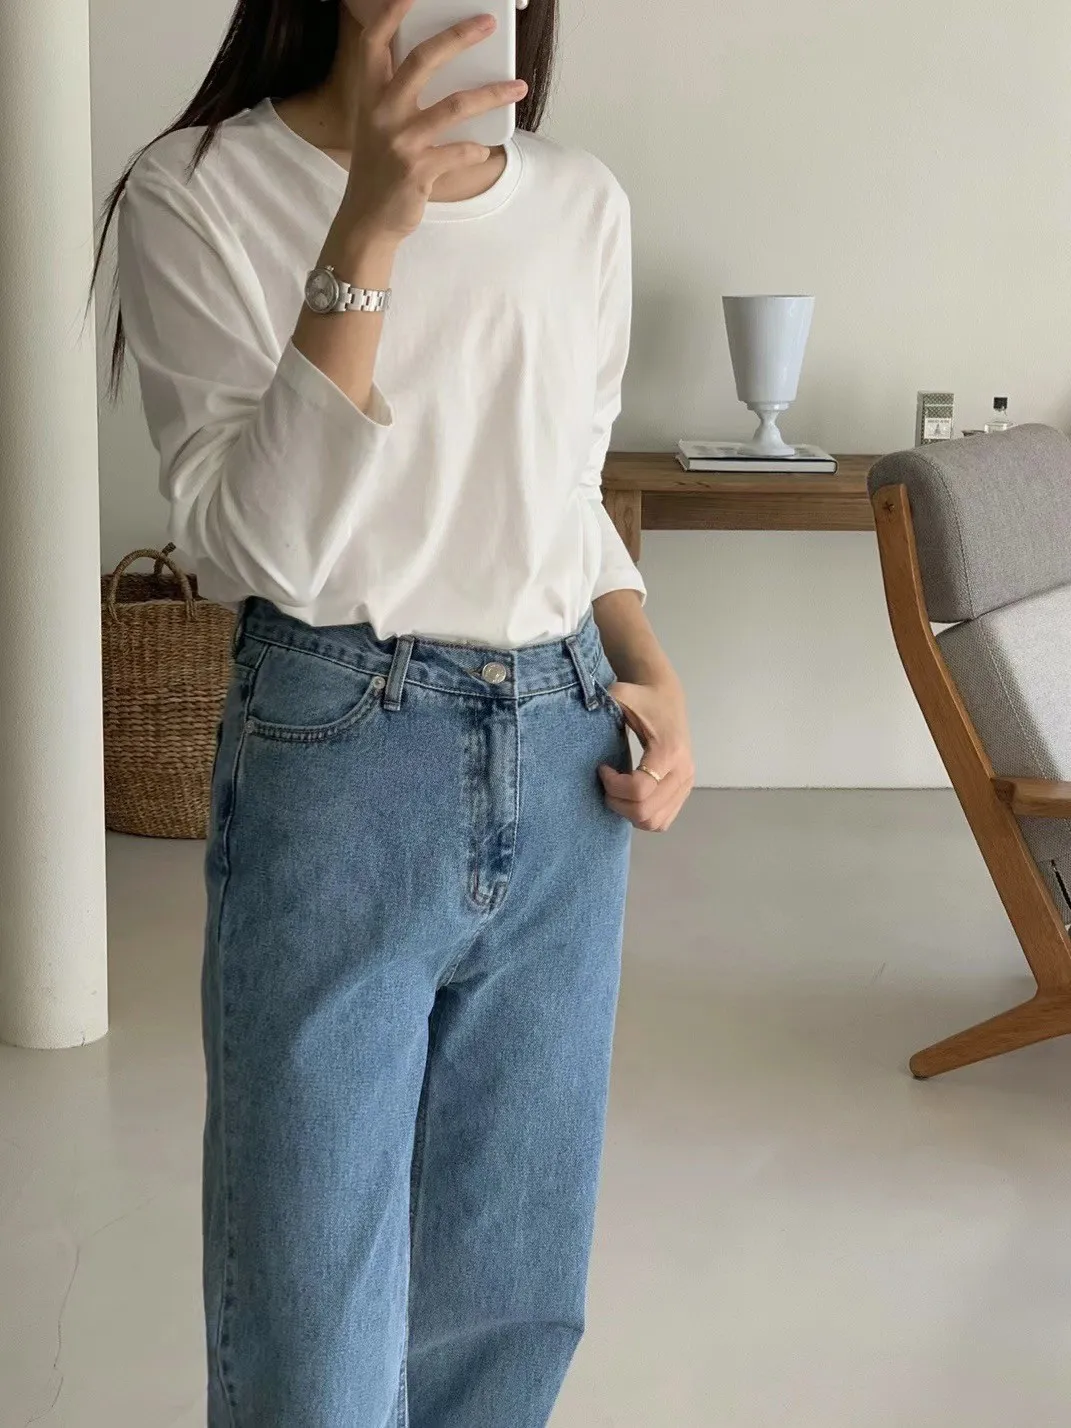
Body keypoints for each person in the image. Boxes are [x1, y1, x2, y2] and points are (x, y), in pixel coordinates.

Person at [96, 0, 695, 1422]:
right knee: (311, 1305)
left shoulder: (581, 202)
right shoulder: (197, 189)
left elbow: (567, 488)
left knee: (510, 1292)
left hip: (563, 743)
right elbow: (262, 546)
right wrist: (368, 226)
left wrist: (650, 666)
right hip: (338, 747)